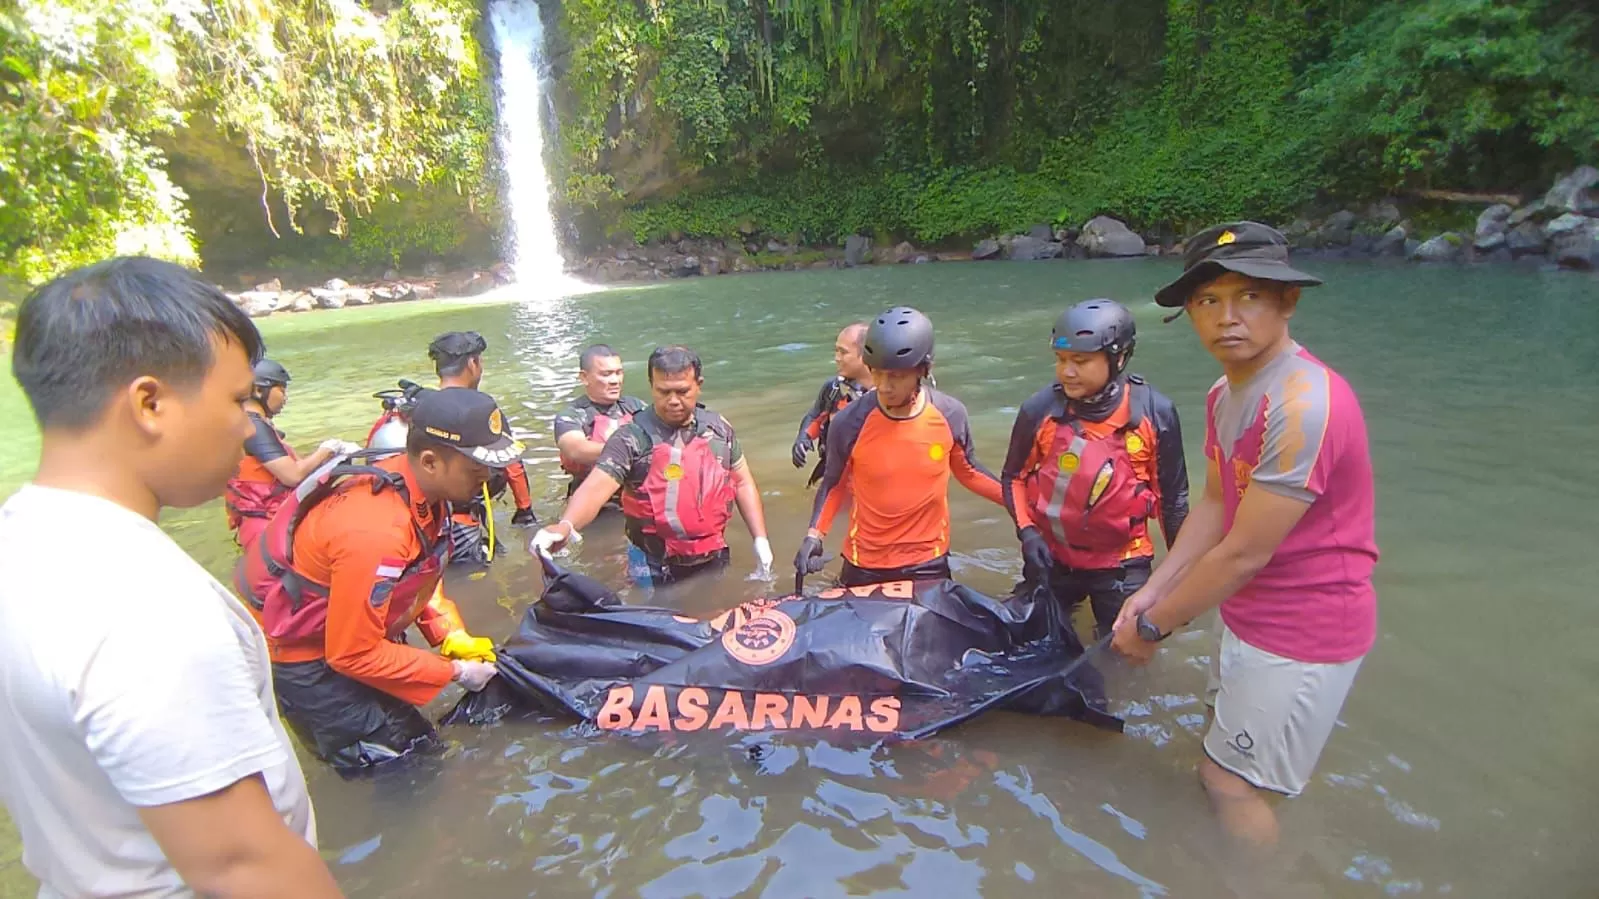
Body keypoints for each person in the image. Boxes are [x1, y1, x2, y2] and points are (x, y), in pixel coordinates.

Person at [0, 257, 340, 896]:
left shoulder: (20, 543)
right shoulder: (141, 603)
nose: (248, 427)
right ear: (150, 402)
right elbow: (242, 864)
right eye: (238, 399)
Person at [1110, 221, 1379, 850]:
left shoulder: (1303, 403)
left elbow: (1244, 551)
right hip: (1249, 615)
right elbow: (1213, 505)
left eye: (1248, 297)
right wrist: (1151, 593)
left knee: (1230, 783)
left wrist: (1155, 626)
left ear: (1288, 301)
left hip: (1305, 628)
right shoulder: (1226, 393)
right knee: (1222, 755)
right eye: (1208, 301)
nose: (1226, 318)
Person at [236, 388, 512, 773]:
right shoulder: (374, 529)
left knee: (422, 746)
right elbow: (352, 653)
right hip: (308, 661)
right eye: (477, 471)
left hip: (351, 635)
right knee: (407, 769)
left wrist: (448, 634)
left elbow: (419, 573)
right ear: (431, 461)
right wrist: (454, 672)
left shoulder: (423, 488)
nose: (487, 481)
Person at [1001, 300, 1189, 639]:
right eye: (1061, 360)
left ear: (1118, 359)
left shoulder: (1154, 413)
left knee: (1126, 652)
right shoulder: (1039, 410)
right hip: (1052, 556)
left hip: (1122, 564)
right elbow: (1013, 477)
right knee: (1027, 641)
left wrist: (1179, 580)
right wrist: (1027, 534)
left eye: (1081, 361)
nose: (1066, 372)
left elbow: (1172, 502)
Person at [795, 306, 1006, 586]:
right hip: (864, 562)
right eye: (877, 373)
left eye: (895, 376)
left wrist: (1025, 513)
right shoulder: (849, 422)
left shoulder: (949, 414)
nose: (883, 386)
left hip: (928, 561)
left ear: (923, 369)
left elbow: (969, 472)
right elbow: (833, 484)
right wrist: (814, 536)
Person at [531, 345, 774, 588]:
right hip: (653, 564)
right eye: (663, 392)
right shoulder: (631, 438)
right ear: (651, 386)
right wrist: (565, 525)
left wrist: (760, 540)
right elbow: (596, 486)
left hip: (713, 554)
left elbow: (742, 482)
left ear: (698, 385)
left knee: (716, 612)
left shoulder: (718, 429)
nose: (673, 401)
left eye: (682, 391)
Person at [225, 358, 358, 550]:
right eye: (282, 389)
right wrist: (328, 449)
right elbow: (292, 475)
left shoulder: (251, 423)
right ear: (259, 390)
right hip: (265, 528)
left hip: (266, 522)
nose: (285, 397)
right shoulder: (254, 428)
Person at [553, 343, 646, 500]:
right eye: (606, 374)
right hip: (593, 498)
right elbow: (577, 450)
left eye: (618, 373)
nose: (615, 380)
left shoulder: (635, 406)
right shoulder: (572, 415)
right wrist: (633, 449)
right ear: (584, 377)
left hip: (635, 493)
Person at [791, 322, 871, 487]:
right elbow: (815, 415)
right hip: (834, 470)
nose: (837, 358)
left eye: (843, 352)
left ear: (865, 356)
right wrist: (803, 439)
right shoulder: (833, 389)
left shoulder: (886, 395)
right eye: (836, 351)